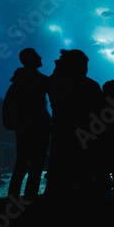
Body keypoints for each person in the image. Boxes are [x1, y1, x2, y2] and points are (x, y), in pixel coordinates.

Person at [45, 49, 104, 200]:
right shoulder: (91, 85)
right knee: (83, 183)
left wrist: (59, 66)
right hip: (85, 139)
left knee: (59, 182)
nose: (86, 68)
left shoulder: (57, 85)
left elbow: (51, 82)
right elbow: (100, 115)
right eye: (84, 64)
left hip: (62, 138)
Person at [4, 48, 51, 201]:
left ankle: (13, 199)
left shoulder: (17, 81)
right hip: (40, 129)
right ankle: (30, 199)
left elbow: (8, 105)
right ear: (32, 60)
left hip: (23, 129)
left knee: (21, 165)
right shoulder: (41, 79)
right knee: (36, 167)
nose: (40, 56)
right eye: (37, 55)